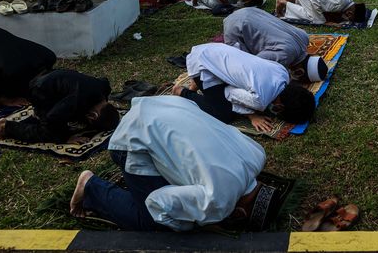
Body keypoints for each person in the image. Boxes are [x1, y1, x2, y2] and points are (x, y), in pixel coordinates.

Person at [69, 96, 267, 231]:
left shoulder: (257, 155)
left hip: (166, 105)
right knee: (149, 220)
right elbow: (157, 202)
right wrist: (191, 222)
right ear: (239, 213)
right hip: (131, 140)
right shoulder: (217, 202)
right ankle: (92, 186)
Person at [177, 43, 316, 132]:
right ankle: (182, 91)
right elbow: (228, 93)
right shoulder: (260, 101)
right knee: (222, 113)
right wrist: (252, 116)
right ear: (280, 107)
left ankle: (198, 82)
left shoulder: (284, 74)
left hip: (214, 49)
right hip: (202, 63)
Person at [0, 69, 119, 144]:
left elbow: (104, 80)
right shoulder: (76, 101)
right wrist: (66, 137)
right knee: (49, 133)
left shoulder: (103, 88)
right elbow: (53, 118)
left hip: (53, 76)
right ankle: (7, 127)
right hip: (40, 91)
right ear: (93, 115)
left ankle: (38, 114)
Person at [223, 7, 327, 83]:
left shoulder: (304, 37)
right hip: (235, 25)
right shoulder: (284, 56)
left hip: (251, 10)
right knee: (239, 65)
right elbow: (254, 65)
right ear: (299, 72)